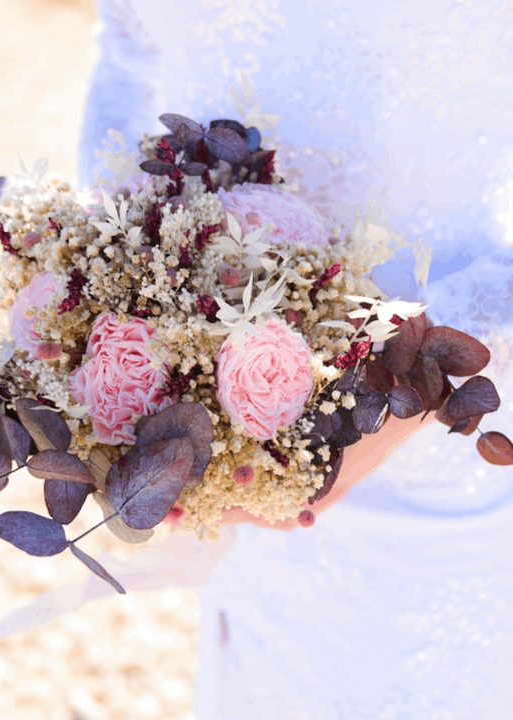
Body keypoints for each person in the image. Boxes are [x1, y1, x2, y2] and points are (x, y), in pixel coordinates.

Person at [73, 1, 513, 717]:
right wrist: (112, 275)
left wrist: (410, 385)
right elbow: (131, 44)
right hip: (228, 437)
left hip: (439, 458)